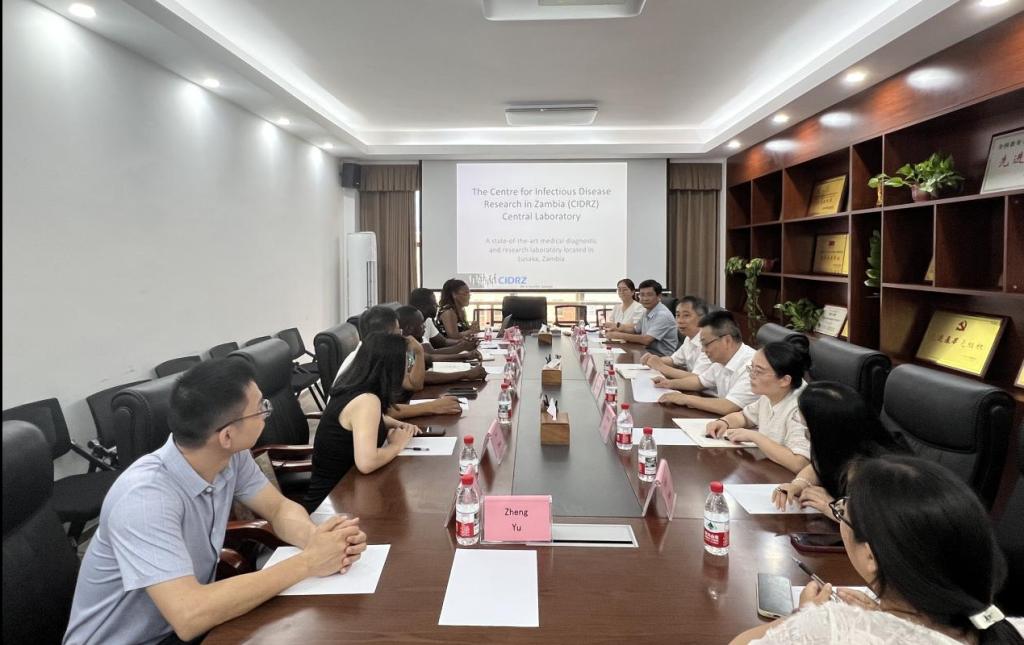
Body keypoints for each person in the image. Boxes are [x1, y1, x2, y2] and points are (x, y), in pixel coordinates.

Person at [63, 360, 368, 645]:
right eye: (260, 408)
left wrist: (317, 540)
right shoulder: (144, 499)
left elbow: (278, 508)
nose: (266, 413)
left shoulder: (230, 457)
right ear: (226, 436)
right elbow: (188, 615)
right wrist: (308, 562)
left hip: (178, 628)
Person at [732, 455, 1024, 644]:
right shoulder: (1006, 630)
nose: (840, 513)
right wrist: (887, 618)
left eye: (842, 512)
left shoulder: (830, 629)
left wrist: (801, 616)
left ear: (871, 556)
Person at [303, 333, 424, 513]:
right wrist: (397, 445)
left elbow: (365, 420)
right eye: (407, 363)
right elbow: (367, 463)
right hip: (332, 503)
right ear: (391, 367)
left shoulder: (353, 386)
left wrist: (395, 423)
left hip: (347, 492)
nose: (408, 370)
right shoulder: (366, 400)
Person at [771, 381, 909, 515]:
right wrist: (799, 484)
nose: (806, 433)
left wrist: (832, 507)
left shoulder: (881, 471)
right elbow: (819, 465)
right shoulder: (847, 445)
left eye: (807, 428)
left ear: (824, 433)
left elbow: (877, 525)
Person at [334, 306, 462, 419]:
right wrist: (433, 407)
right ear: (386, 336)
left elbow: (414, 384)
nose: (401, 336)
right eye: (397, 331)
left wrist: (418, 352)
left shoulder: (377, 353)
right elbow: (382, 411)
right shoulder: (366, 359)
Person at [704, 341, 811, 473]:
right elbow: (745, 417)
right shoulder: (771, 393)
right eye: (751, 368)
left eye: (758, 371)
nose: (751, 375)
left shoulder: (801, 408)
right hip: (769, 469)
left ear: (784, 380)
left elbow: (799, 463)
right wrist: (724, 422)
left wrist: (755, 437)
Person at [656, 310, 757, 415]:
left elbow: (728, 406)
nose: (703, 350)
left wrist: (685, 399)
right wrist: (668, 383)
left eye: (706, 344)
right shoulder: (721, 360)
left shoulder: (752, 365)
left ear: (727, 340)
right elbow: (700, 382)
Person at [396, 305, 486, 384]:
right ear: (409, 329)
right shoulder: (398, 349)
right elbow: (423, 377)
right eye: (421, 324)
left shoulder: (410, 344)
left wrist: (466, 356)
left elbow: (430, 358)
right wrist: (466, 374)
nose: (425, 327)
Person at [641, 295, 712, 378]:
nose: (680, 321)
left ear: (702, 319)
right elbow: (674, 360)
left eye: (686, 315)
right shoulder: (689, 338)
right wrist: (655, 359)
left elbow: (697, 379)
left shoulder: (709, 342)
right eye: (678, 315)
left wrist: (661, 366)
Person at [604, 279, 679, 356]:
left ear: (659, 296)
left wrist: (618, 335)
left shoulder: (662, 315)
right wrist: (617, 328)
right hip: (646, 352)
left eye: (649, 295)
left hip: (661, 357)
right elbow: (635, 330)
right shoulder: (647, 311)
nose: (645, 298)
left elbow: (646, 340)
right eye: (642, 295)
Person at [408, 287, 477, 352]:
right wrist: (462, 348)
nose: (437, 305)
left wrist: (462, 342)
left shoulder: (427, 320)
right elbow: (430, 354)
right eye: (433, 303)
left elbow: (443, 341)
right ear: (423, 306)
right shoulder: (412, 324)